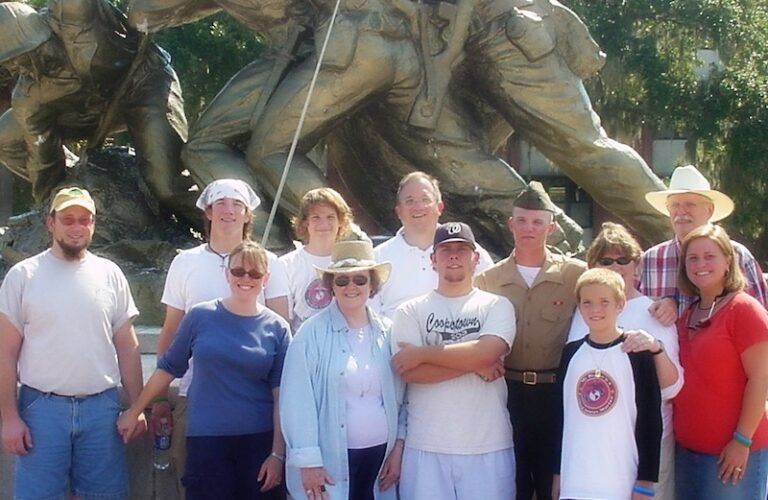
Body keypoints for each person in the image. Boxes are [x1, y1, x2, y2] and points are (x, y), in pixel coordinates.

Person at [0, 186, 144, 499]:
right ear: (51, 223)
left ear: (93, 224)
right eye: (68, 219)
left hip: (102, 410)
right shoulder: (22, 276)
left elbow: (128, 347)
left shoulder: (110, 274)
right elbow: (5, 353)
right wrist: (9, 418)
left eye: (85, 219)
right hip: (41, 410)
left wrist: (137, 406)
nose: (77, 227)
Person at [118, 240, 289, 499]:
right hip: (207, 440)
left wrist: (277, 454)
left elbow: (281, 396)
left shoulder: (278, 328)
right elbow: (168, 368)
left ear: (265, 279)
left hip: (258, 441)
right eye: (238, 271)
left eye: (254, 273)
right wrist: (135, 410)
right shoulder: (200, 316)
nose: (246, 278)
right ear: (226, 274)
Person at [152, 178, 290, 493]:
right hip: (194, 403)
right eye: (221, 203)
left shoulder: (273, 265)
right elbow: (170, 331)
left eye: (237, 204)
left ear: (247, 215)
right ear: (208, 212)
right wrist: (160, 399)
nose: (229, 210)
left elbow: (282, 334)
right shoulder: (184, 262)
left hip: (258, 410)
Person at [0, 1, 196, 222]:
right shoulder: (29, 96)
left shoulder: (72, 13)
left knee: (166, 185)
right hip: (89, 114)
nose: (21, 69)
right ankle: (78, 183)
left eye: (23, 58)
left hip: (144, 83)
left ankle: (224, 227)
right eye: (11, 65)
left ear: (37, 39)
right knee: (5, 137)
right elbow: (43, 159)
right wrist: (53, 207)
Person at [474, 181, 586, 500]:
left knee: (553, 482)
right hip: (506, 393)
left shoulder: (575, 275)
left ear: (551, 228)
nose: (529, 228)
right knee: (512, 480)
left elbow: (612, 300)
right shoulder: (488, 280)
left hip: (555, 394)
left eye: (538, 222)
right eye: (521, 221)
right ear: (511, 224)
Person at [391, 222, 516, 500]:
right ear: (433, 260)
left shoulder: (497, 305)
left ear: (476, 258)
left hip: (488, 445)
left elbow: (488, 353)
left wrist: (422, 353)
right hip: (426, 445)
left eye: (462, 249)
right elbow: (410, 371)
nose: (454, 256)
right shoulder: (410, 310)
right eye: (446, 250)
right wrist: (474, 362)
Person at [567, 222, 682, 500]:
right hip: (593, 450)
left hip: (645, 445)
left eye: (623, 260)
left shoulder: (655, 313)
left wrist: (655, 349)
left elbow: (672, 389)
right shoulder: (584, 313)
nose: (616, 266)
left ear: (637, 266)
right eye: (606, 261)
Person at [280, 240, 403, 500]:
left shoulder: (390, 332)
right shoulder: (309, 335)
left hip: (380, 462)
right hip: (330, 467)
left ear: (372, 285)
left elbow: (404, 399)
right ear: (330, 286)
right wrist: (308, 462)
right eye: (342, 280)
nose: (351, 287)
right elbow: (296, 403)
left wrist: (398, 448)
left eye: (360, 280)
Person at [673, 224, 768, 500]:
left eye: (709, 256)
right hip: (687, 454)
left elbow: (761, 379)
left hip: (732, 457)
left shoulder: (744, 310)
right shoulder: (687, 313)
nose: (700, 264)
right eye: (693, 258)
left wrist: (742, 441)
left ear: (728, 261)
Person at [553, 268, 662, 499]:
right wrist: (557, 473)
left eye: (604, 302)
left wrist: (646, 480)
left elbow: (650, 418)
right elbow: (559, 416)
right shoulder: (571, 353)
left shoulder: (636, 353)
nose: (595, 310)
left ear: (620, 304)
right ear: (579, 307)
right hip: (576, 480)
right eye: (587, 303)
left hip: (620, 481)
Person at [641, 164, 768, 324]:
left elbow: (761, 323)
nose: (681, 211)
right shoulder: (649, 260)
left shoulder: (737, 255)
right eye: (675, 205)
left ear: (709, 210)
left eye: (690, 204)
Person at [374, 171, 494, 320]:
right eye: (409, 201)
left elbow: (490, 306)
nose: (418, 207)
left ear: (440, 207)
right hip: (395, 341)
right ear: (398, 211)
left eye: (425, 199)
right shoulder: (376, 258)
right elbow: (370, 317)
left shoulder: (471, 253)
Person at [279, 188, 354, 330]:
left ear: (341, 221)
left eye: (330, 217)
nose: (323, 224)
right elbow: (284, 321)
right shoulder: (286, 264)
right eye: (316, 217)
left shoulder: (353, 262)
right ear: (305, 222)